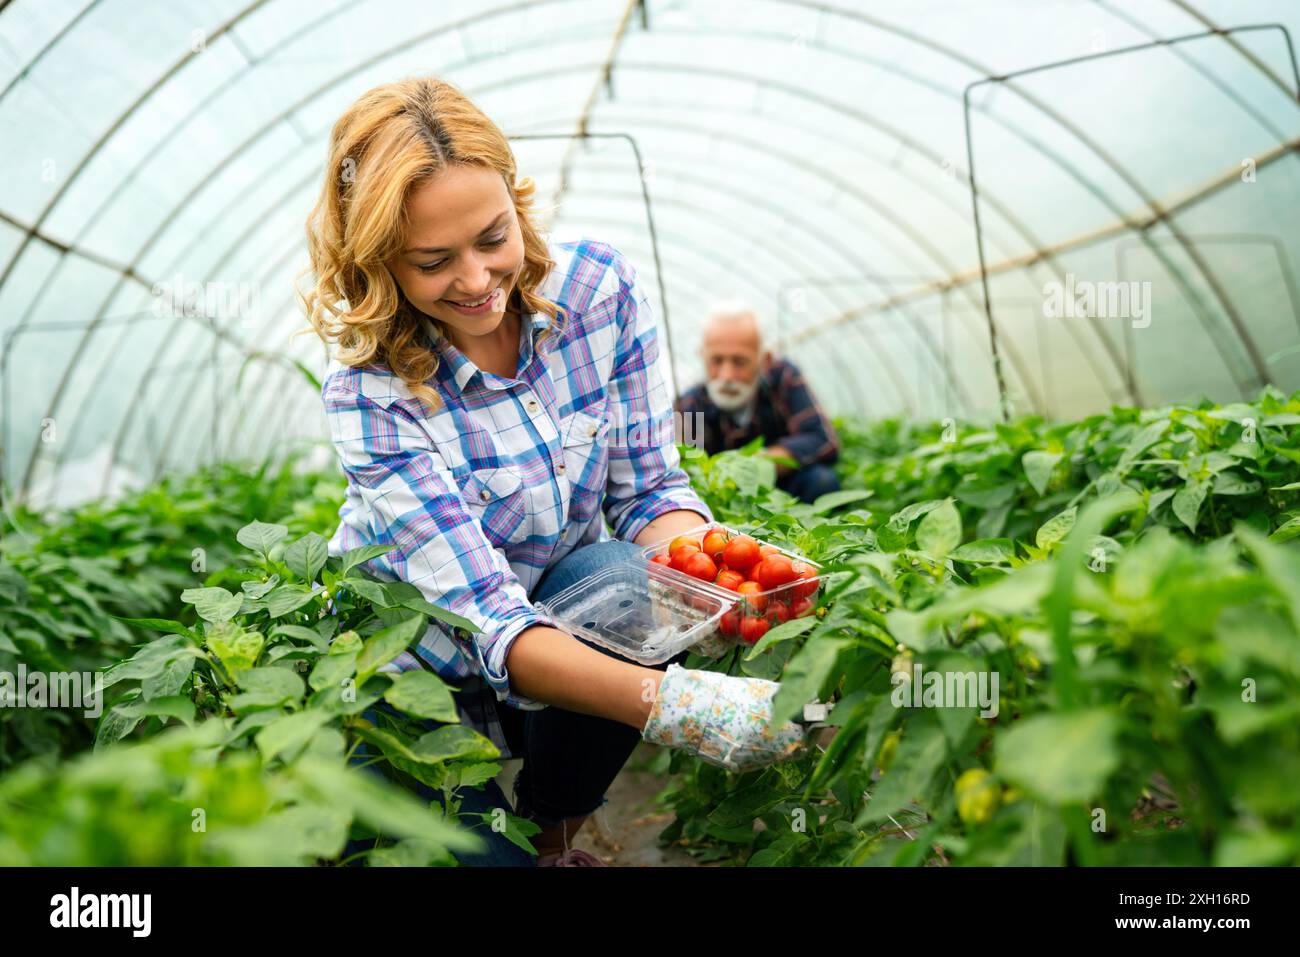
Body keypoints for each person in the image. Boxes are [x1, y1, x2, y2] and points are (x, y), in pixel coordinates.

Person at [300, 77, 808, 867]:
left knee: (636, 580)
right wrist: (674, 707)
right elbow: (488, 617)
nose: (475, 281)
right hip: (414, 681)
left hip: (556, 642)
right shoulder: (371, 393)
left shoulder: (598, 295)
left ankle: (553, 834)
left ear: (516, 200)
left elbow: (648, 491)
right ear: (380, 263)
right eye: (432, 261)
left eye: (492, 237)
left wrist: (715, 572)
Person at [676, 301, 842, 504]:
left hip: (781, 490)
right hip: (725, 500)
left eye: (740, 362)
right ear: (702, 357)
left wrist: (751, 467)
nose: (727, 376)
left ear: (764, 360)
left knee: (821, 481)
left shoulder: (782, 379)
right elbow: (683, 470)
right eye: (717, 360)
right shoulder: (692, 405)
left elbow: (822, 439)